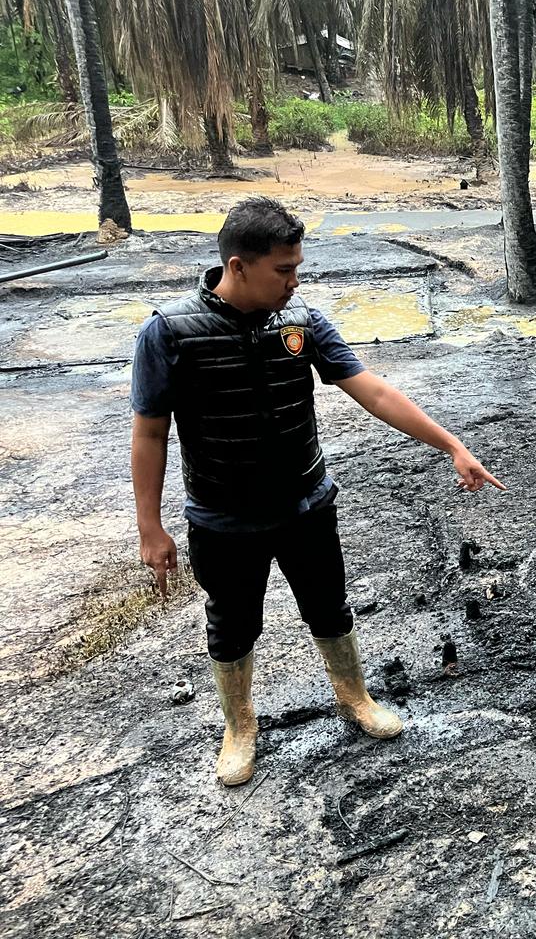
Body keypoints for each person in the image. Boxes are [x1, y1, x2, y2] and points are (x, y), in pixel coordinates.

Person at [130, 196, 503, 787]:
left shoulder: (300, 321)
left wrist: (451, 444)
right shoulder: (169, 331)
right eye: (283, 270)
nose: (294, 281)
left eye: (297, 268)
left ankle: (353, 697)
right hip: (223, 518)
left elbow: (371, 390)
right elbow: (150, 432)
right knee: (232, 622)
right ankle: (239, 726)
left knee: (328, 606)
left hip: (306, 504)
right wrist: (150, 527)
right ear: (238, 265)